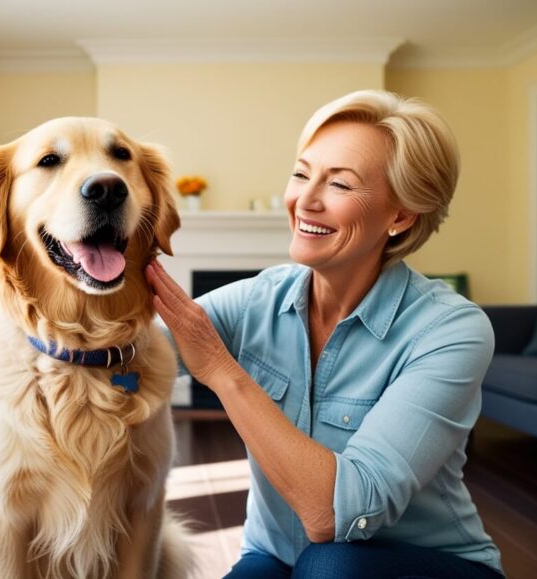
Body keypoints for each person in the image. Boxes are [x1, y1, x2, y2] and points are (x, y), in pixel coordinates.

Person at [146, 90, 506, 578]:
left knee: (331, 564)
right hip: (276, 554)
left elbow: (334, 516)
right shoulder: (255, 301)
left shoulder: (450, 331)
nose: (304, 201)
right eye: (300, 174)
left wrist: (220, 371)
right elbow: (128, 362)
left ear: (400, 216)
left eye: (339, 184)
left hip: (428, 564)